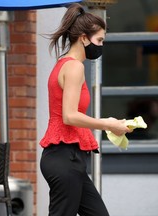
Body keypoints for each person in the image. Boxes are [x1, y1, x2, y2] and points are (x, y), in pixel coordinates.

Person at [39, 3, 132, 216]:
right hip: (64, 158)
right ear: (83, 38)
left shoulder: (64, 64)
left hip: (70, 159)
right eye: (99, 40)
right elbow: (69, 115)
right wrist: (107, 123)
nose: (100, 46)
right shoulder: (74, 66)